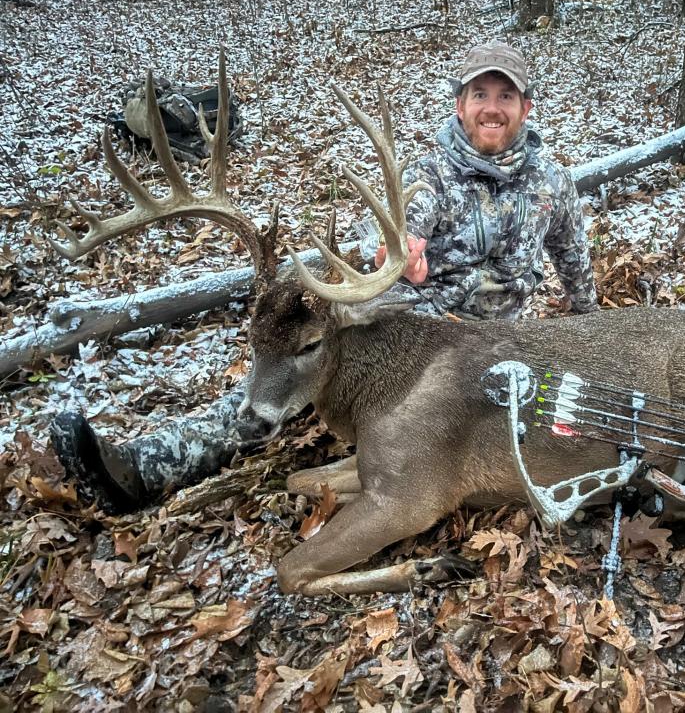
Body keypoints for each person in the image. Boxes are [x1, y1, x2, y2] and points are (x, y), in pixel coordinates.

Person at [51, 41, 598, 513]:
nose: (492, 108)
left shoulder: (552, 182)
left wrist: (589, 326)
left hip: (496, 345)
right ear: (460, 106)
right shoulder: (428, 173)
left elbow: (573, 255)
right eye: (480, 95)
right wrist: (397, 245)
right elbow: (387, 227)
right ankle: (150, 464)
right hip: (411, 329)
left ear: (525, 107)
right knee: (290, 364)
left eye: (505, 96)